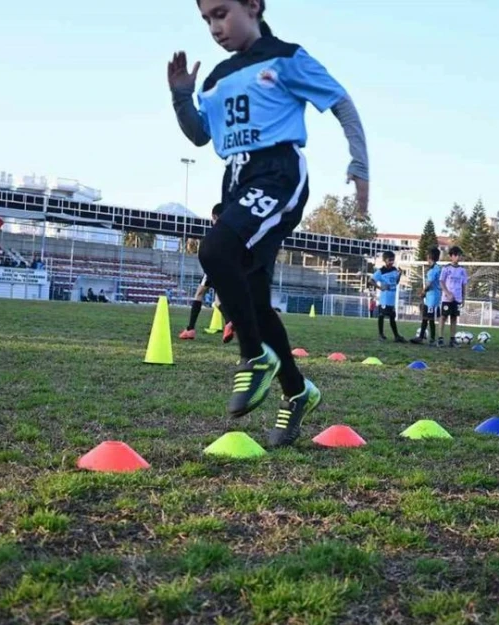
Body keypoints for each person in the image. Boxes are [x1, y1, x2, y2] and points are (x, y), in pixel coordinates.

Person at [168, 0, 369, 447]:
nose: (214, 27)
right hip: (236, 182)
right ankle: (298, 391)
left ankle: (254, 357)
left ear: (254, 6)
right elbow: (202, 134)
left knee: (217, 251)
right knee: (254, 300)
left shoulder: (286, 57)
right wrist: (182, 95)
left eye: (221, 13)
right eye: (206, 20)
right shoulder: (217, 78)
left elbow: (342, 104)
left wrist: (360, 167)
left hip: (278, 174)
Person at [180, 203, 231, 340]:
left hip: (214, 267)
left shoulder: (217, 230)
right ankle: (230, 323)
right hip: (229, 269)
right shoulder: (230, 229)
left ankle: (190, 329)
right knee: (218, 301)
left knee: (199, 294)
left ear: (214, 216)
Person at [373, 251, 406, 342]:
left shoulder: (394, 270)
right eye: (389, 260)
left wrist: (399, 274)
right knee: (381, 315)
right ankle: (381, 334)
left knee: (392, 317)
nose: (391, 262)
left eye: (393, 260)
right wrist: (380, 287)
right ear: (384, 260)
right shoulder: (380, 271)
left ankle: (396, 336)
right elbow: (370, 281)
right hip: (384, 299)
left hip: (392, 299)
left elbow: (396, 282)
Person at [412, 248, 443, 346]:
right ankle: (421, 337)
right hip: (433, 297)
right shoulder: (438, 268)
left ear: (429, 257)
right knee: (425, 318)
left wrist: (423, 292)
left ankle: (432, 339)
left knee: (431, 319)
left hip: (432, 298)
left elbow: (429, 284)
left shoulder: (433, 271)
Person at [439, 246, 469, 347]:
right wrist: (447, 293)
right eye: (456, 255)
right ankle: (440, 338)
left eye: (459, 255)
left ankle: (452, 340)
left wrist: (463, 298)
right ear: (451, 256)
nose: (458, 257)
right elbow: (441, 282)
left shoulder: (462, 270)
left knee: (454, 318)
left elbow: (464, 284)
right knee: (443, 317)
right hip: (447, 298)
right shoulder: (446, 268)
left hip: (457, 298)